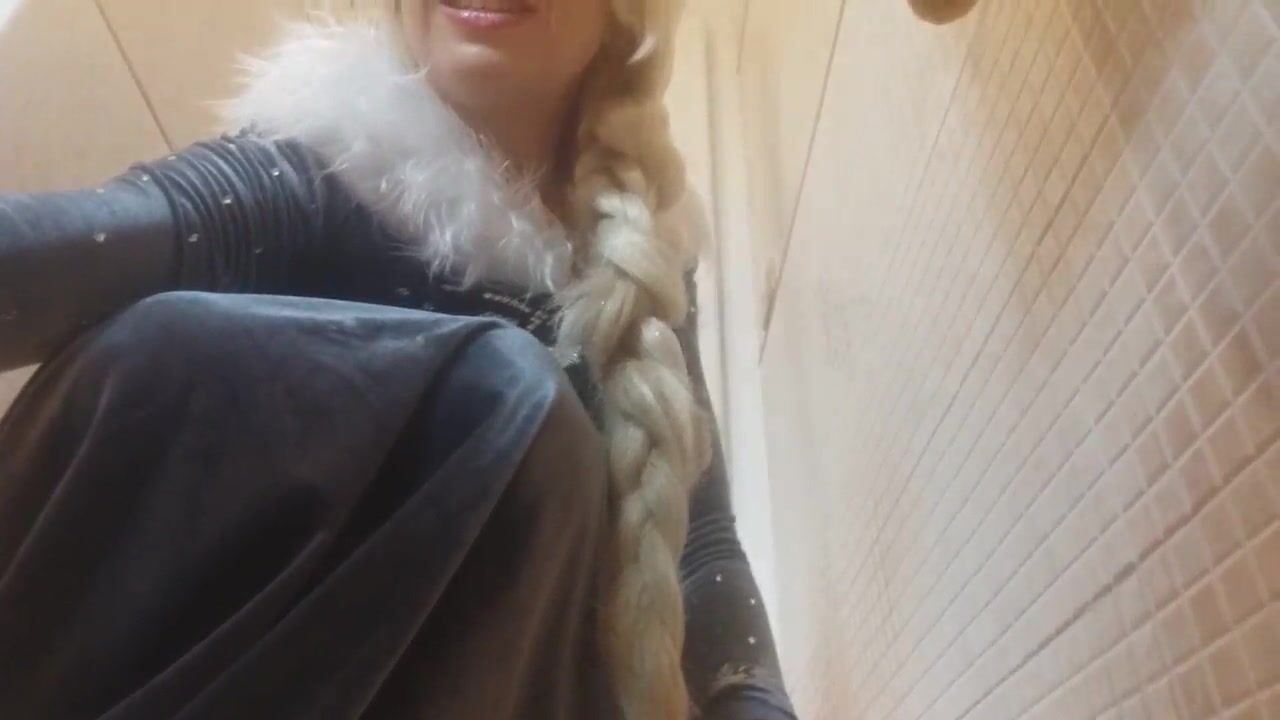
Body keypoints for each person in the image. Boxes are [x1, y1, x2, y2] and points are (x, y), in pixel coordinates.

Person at [0, 1, 795, 719]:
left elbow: (701, 543)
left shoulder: (643, 270)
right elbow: (79, 247)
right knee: (172, 345)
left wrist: (754, 703)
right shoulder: (312, 168)